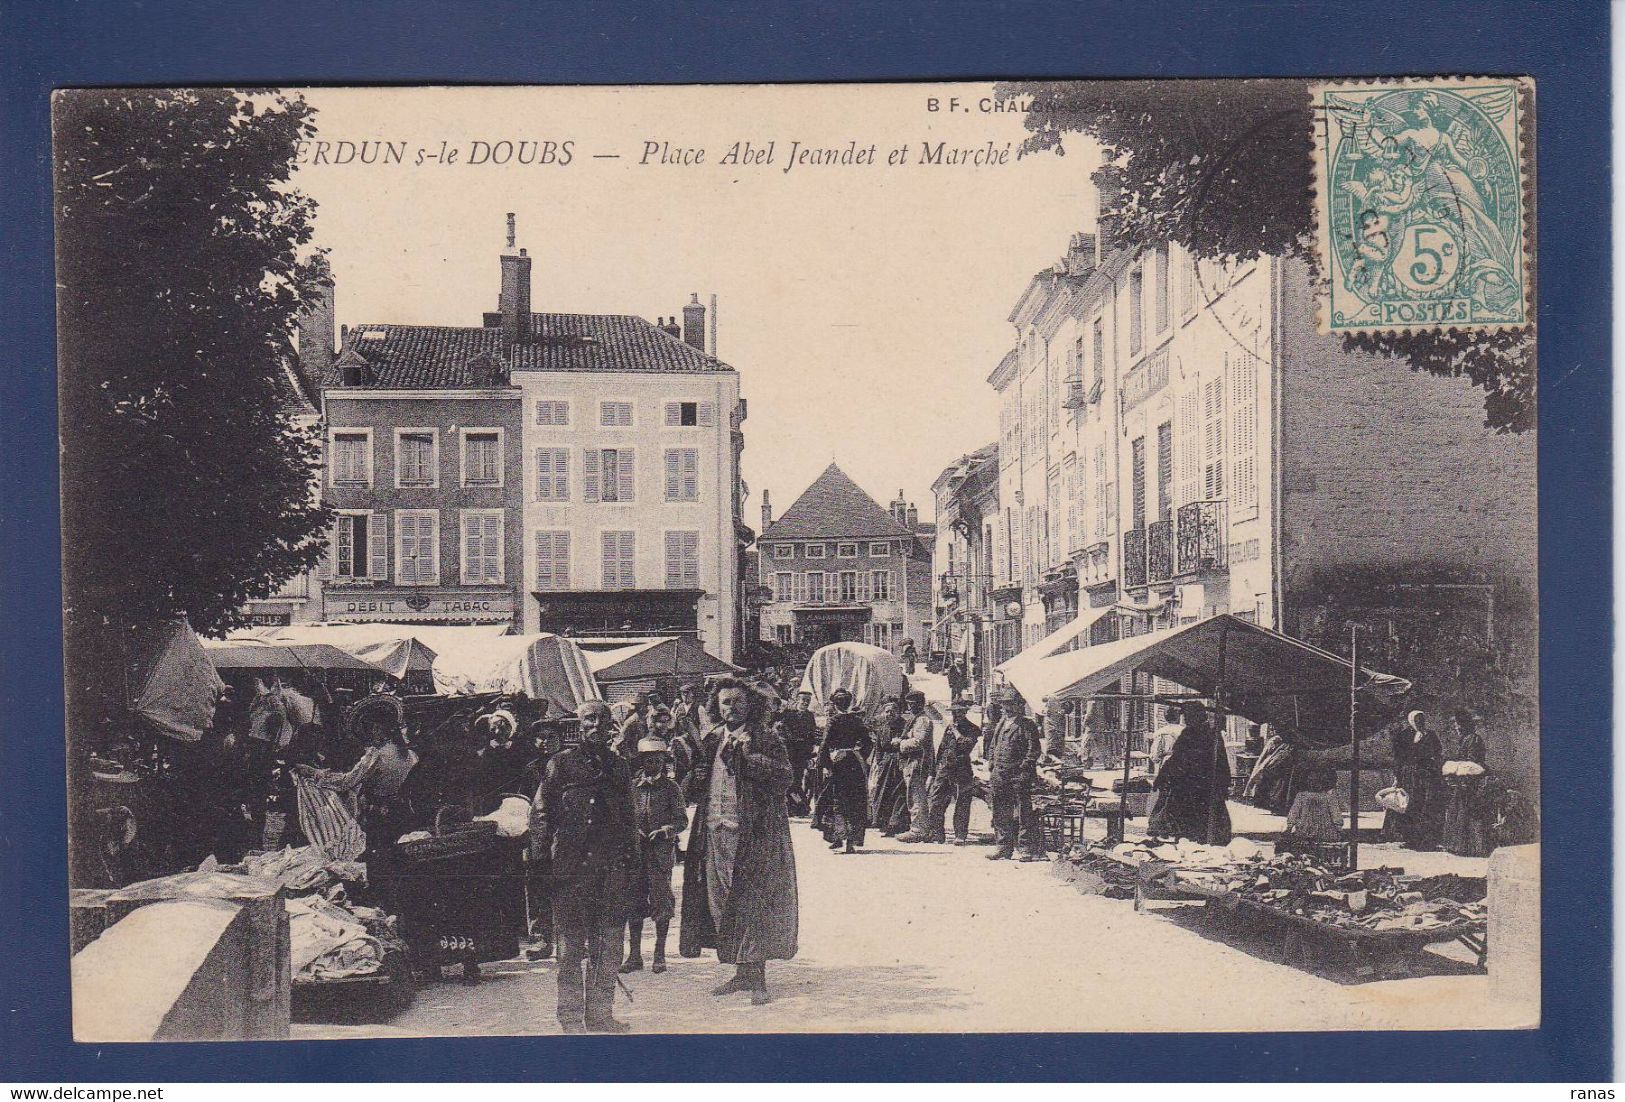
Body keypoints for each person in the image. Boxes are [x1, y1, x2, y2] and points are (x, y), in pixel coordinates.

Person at [679, 678, 799, 1005]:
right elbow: (693, 783)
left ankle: (757, 977)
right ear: (716, 706)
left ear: (750, 704)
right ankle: (740, 971)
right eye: (725, 703)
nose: (731, 708)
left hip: (754, 834)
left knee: (752, 900)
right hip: (715, 832)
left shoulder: (765, 737)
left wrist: (748, 756)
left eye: (737, 701)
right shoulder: (713, 739)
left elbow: (784, 777)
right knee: (722, 899)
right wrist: (695, 778)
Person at [529, 701, 639, 1034]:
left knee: (608, 948)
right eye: (589, 719)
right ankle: (571, 1019)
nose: (595, 725)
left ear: (610, 727)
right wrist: (540, 860)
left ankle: (600, 1015)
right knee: (570, 950)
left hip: (610, 872)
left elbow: (630, 817)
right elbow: (540, 812)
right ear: (579, 725)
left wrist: (632, 863)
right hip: (571, 870)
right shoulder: (560, 764)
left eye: (602, 720)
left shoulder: (619, 767)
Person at [621, 736, 687, 975]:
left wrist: (665, 831)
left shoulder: (671, 789)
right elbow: (623, 817)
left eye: (659, 761)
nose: (654, 765)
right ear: (641, 762)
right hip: (636, 855)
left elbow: (682, 820)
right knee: (633, 901)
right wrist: (633, 832)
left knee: (661, 902)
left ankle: (659, 955)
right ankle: (635, 955)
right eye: (649, 761)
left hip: (660, 856)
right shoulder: (632, 787)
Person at [1147, 705, 1233, 845]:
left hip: (1197, 782)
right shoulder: (1200, 733)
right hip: (1198, 781)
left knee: (1194, 812)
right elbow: (1177, 758)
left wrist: (1162, 777)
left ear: (1196, 716)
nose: (1186, 720)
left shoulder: (1200, 734)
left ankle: (1200, 839)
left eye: (1188, 716)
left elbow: (1177, 759)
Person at [985, 689, 1046, 861]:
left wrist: (1024, 769)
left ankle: (1025, 848)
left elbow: (1033, 750)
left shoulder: (1027, 725)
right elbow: (993, 745)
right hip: (999, 775)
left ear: (1019, 706)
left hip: (1018, 776)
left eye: (1011, 704)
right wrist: (992, 763)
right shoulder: (1001, 723)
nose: (1007, 707)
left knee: (1023, 813)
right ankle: (1003, 847)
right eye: (1004, 704)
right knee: (1000, 812)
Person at [813, 689, 873, 852]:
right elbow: (868, 743)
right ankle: (849, 841)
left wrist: (825, 765)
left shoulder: (834, 721)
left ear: (835, 704)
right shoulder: (857, 720)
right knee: (854, 801)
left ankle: (839, 837)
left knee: (836, 800)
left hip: (837, 765)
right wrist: (856, 753)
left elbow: (825, 745)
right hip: (854, 765)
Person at [1382, 709, 1445, 851]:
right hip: (1409, 777)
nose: (1420, 723)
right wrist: (1397, 776)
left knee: (1426, 806)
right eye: (1416, 720)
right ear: (1411, 721)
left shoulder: (1431, 735)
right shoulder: (1404, 736)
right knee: (1409, 806)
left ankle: (1426, 839)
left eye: (1422, 720)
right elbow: (1398, 758)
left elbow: (1438, 753)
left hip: (1427, 776)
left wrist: (1436, 769)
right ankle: (1409, 839)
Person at [922, 698, 982, 844]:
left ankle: (960, 835)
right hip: (944, 769)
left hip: (962, 769)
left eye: (959, 713)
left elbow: (965, 746)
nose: (956, 716)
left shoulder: (972, 729)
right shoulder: (949, 728)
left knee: (962, 802)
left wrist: (955, 731)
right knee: (936, 801)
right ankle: (937, 834)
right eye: (954, 713)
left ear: (965, 712)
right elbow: (942, 749)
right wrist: (933, 771)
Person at [895, 691, 937, 843]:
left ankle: (919, 830)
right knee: (913, 795)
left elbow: (919, 742)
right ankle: (919, 827)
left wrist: (900, 744)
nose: (910, 707)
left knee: (917, 796)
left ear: (920, 704)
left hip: (918, 762)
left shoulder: (923, 720)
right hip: (912, 762)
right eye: (908, 704)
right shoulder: (916, 719)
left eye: (913, 704)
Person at [867, 698, 910, 836]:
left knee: (899, 793)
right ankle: (884, 823)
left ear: (898, 713)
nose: (890, 714)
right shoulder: (882, 728)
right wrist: (879, 763)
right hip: (886, 765)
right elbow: (879, 748)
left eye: (893, 711)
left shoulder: (905, 726)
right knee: (883, 792)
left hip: (900, 763)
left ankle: (897, 824)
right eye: (887, 712)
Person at [781, 691, 821, 816]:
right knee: (788, 779)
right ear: (797, 700)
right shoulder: (788, 714)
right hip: (789, 752)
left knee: (797, 780)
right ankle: (798, 806)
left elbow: (812, 735)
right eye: (803, 700)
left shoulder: (810, 716)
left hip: (802, 754)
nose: (805, 703)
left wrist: (811, 752)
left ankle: (797, 807)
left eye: (807, 701)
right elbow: (782, 731)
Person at [1148, 705, 1185, 777]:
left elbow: (1155, 756)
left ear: (1165, 718)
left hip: (1167, 766)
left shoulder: (1161, 732)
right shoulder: (1185, 732)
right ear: (1178, 717)